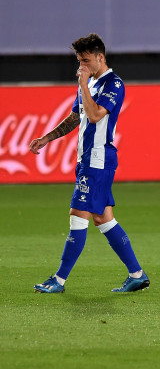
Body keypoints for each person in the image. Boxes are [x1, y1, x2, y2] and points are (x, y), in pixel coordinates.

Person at [29, 33, 149, 293]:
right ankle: (137, 274)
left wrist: (83, 84)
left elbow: (95, 116)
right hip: (86, 158)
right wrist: (47, 138)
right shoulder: (90, 83)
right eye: (79, 61)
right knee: (103, 219)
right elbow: (76, 117)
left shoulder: (113, 84)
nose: (81, 66)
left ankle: (59, 280)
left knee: (77, 215)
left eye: (85, 60)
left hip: (98, 159)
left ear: (100, 57)